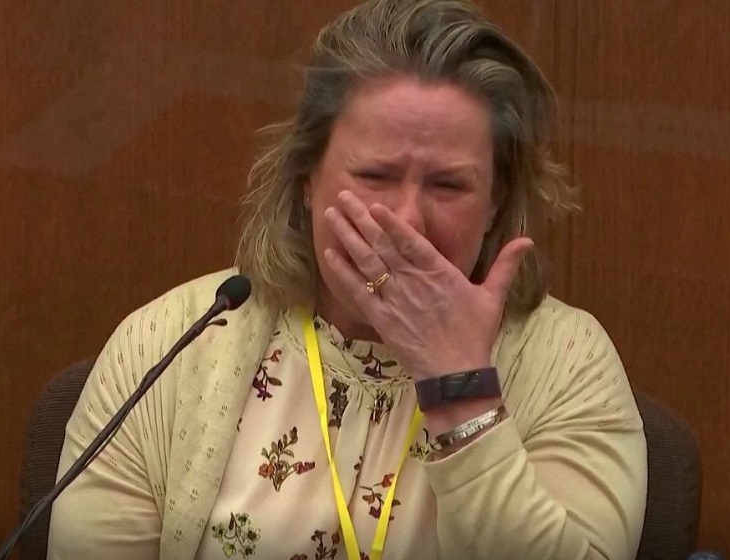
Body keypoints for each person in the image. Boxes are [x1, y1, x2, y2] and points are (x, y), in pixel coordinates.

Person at [48, 0, 647, 559]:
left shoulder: (571, 362)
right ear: (306, 180)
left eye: (449, 186)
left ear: (495, 203)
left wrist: (457, 385)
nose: (407, 219)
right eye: (376, 175)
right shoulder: (168, 343)